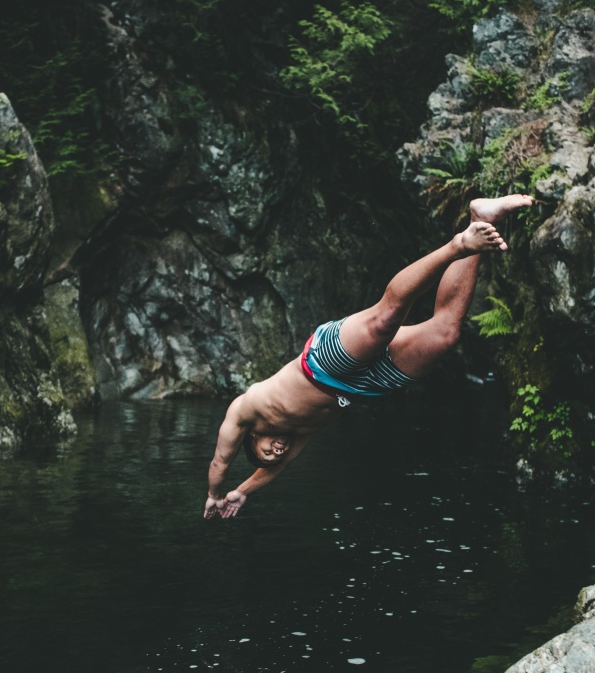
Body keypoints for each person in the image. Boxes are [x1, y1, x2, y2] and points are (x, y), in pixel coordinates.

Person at [204, 194, 533, 519]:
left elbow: (221, 460)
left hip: (321, 364)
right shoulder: (299, 435)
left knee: (384, 321)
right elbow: (273, 471)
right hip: (363, 386)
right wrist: (242, 493)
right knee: (445, 334)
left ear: (253, 437)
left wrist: (216, 494)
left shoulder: (246, 410)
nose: (276, 454)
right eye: (276, 457)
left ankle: (457, 246)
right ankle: (481, 218)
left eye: (265, 454)